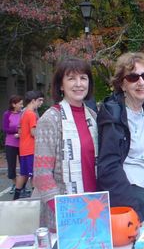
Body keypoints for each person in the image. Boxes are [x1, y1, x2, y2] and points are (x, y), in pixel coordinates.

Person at [32, 58, 97, 230]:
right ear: (61, 85)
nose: (78, 84)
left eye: (83, 78)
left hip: (94, 209)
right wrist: (64, 211)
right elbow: (42, 173)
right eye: (71, 78)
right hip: (64, 214)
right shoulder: (50, 119)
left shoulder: (93, 117)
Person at [97, 52, 144, 226]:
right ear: (122, 84)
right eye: (133, 77)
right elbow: (108, 166)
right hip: (130, 193)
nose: (141, 82)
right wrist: (132, 206)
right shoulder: (113, 113)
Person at [14, 91, 42, 200]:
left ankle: (15, 199)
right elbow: (33, 132)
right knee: (34, 175)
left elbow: (21, 131)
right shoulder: (31, 114)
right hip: (31, 149)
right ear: (33, 100)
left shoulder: (24, 113)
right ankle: (36, 200)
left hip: (24, 148)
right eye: (39, 100)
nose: (41, 103)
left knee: (24, 174)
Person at [2, 95, 23, 194]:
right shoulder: (7, 114)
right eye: (20, 104)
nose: (21, 105)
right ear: (14, 104)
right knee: (12, 166)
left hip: (22, 144)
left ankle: (21, 186)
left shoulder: (22, 114)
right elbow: (5, 128)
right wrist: (17, 130)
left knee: (24, 166)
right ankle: (14, 184)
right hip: (10, 144)